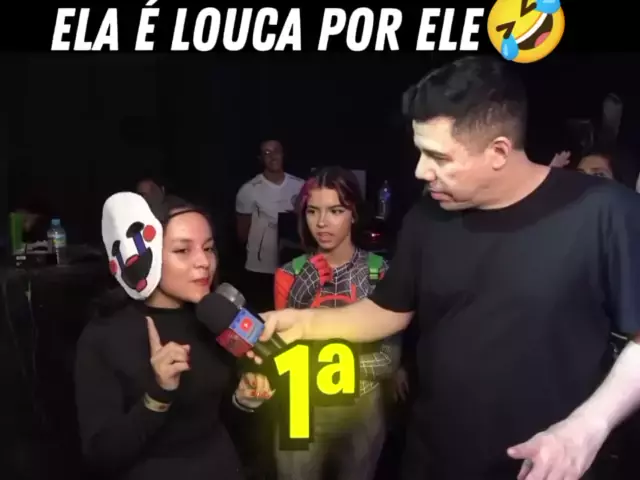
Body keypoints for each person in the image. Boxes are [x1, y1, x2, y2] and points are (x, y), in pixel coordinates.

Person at [248, 56, 640, 480]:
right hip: (433, 458)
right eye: (420, 151)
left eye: (438, 156)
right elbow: (388, 310)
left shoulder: (604, 212)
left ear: (498, 151)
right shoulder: (428, 215)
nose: (421, 170)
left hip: (544, 467)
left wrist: (587, 428)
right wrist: (304, 323)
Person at [235, 166, 397, 480]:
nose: (321, 223)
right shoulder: (290, 273)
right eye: (312, 211)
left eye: (335, 210)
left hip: (362, 403)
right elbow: (280, 351)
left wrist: (332, 369)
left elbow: (389, 359)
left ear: (353, 213)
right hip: (300, 400)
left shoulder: (379, 271)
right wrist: (300, 294)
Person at [74, 193, 245, 480]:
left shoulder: (213, 317)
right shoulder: (104, 337)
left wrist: (245, 398)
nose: (204, 261)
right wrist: (158, 395)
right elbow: (100, 454)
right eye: (183, 250)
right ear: (142, 256)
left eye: (208, 248)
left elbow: (218, 412)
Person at [235, 139, 304, 311]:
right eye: (267, 153)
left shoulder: (300, 186)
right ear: (260, 159)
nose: (272, 156)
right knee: (262, 316)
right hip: (259, 269)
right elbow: (242, 233)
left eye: (276, 151)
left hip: (294, 266)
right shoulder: (249, 190)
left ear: (283, 154)